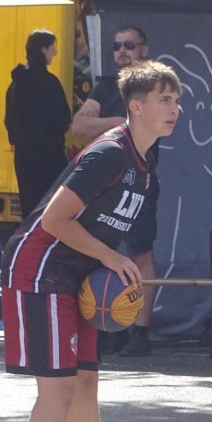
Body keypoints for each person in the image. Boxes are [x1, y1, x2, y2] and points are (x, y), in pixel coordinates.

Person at [1, 60, 181, 422]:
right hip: (39, 270)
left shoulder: (146, 161)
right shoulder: (109, 153)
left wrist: (107, 265)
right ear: (135, 107)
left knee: (85, 387)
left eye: (176, 101)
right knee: (56, 391)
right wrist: (110, 257)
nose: (174, 109)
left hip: (75, 275)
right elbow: (54, 220)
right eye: (164, 100)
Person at [73, 25, 159, 357]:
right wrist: (118, 122)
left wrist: (110, 123)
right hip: (99, 181)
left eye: (129, 45)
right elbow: (79, 126)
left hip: (138, 178)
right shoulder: (106, 85)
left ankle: (140, 331)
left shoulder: (152, 86)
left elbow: (148, 126)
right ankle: (104, 324)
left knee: (140, 253)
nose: (121, 51)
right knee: (94, 250)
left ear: (144, 49)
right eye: (116, 45)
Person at [5, 29, 72, 218]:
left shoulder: (16, 83)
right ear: (43, 49)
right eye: (52, 48)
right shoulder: (50, 83)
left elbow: (9, 119)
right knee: (51, 206)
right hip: (50, 155)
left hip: (24, 155)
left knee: (29, 207)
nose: (55, 52)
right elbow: (63, 119)